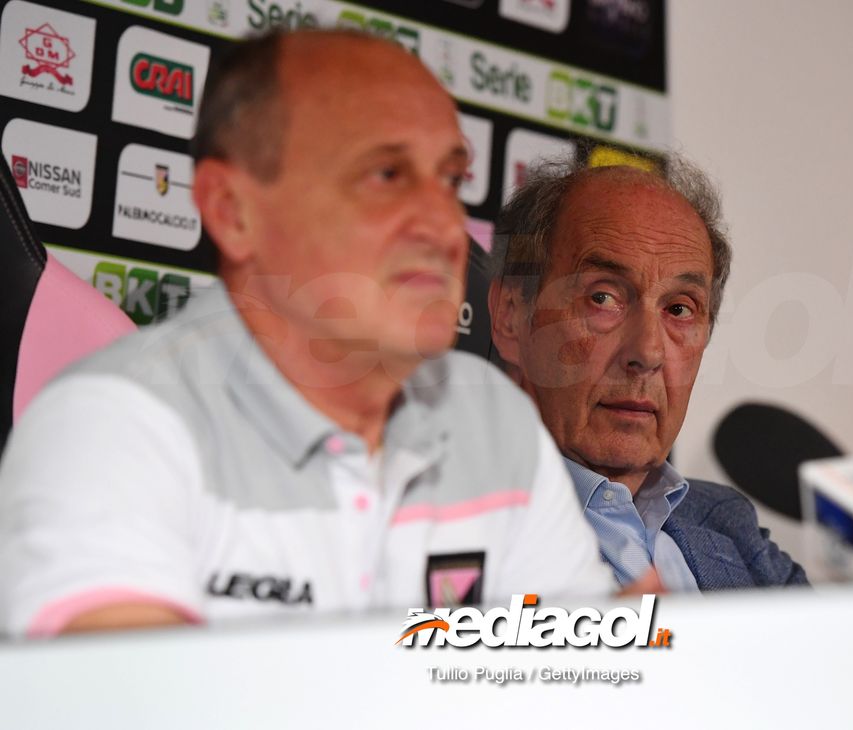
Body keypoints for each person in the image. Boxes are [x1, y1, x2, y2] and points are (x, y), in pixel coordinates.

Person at [0, 30, 615, 637]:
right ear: (232, 211)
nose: (443, 225)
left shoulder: (495, 420)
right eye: (385, 175)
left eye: (450, 181)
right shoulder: (112, 423)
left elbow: (589, 691)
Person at [488, 156, 808, 591]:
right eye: (603, 298)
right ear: (511, 316)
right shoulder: (440, 524)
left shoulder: (729, 529)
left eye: (679, 309)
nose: (648, 352)